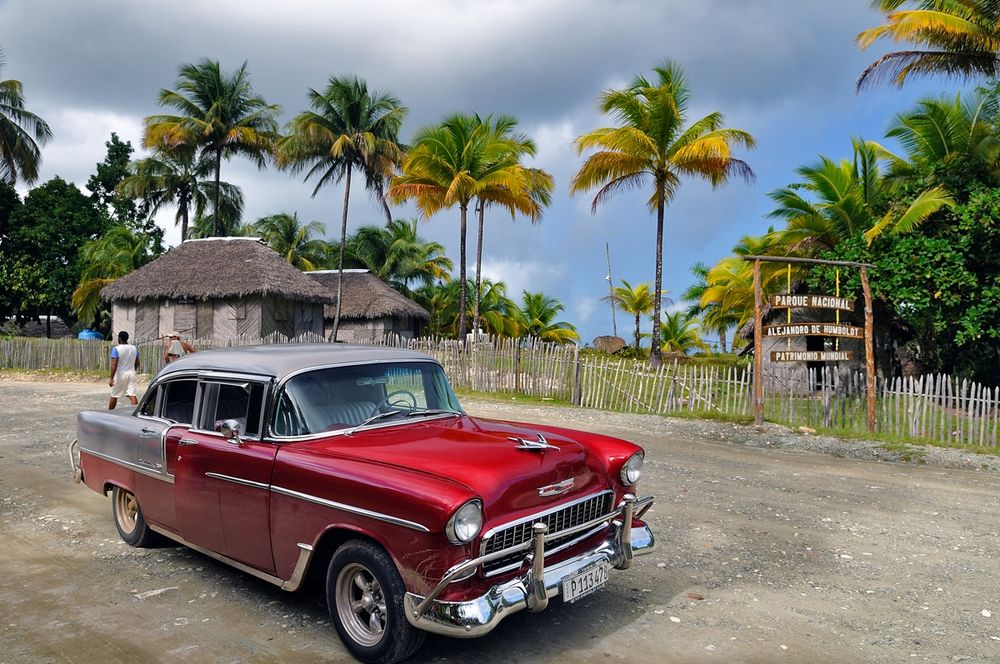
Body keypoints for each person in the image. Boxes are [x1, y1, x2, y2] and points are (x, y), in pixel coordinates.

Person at [108, 331, 140, 410]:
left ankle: (110, 413)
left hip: (120, 374)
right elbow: (137, 363)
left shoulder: (116, 349)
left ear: (119, 338)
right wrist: (133, 370)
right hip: (132, 374)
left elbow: (114, 365)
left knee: (114, 395)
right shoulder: (134, 348)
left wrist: (111, 378)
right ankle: (135, 412)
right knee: (132, 394)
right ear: (127, 338)